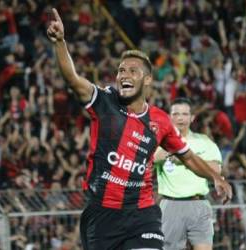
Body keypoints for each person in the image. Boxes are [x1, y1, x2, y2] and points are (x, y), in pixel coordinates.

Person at [47, 8, 232, 250]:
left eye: (132, 71)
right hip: (102, 214)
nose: (124, 74)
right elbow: (72, 78)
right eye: (121, 70)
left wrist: (216, 177)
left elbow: (187, 156)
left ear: (147, 80)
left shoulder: (160, 120)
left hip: (142, 213)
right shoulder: (104, 101)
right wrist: (60, 42)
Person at [154, 97, 223, 250]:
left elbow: (216, 170)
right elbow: (150, 159)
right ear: (169, 117)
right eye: (176, 114)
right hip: (171, 205)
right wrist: (171, 148)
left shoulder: (204, 141)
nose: (180, 118)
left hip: (199, 204)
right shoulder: (158, 142)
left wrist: (186, 158)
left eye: (185, 114)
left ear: (192, 118)